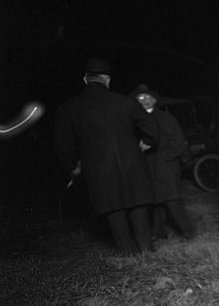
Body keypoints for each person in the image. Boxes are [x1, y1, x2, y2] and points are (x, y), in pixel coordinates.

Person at [53, 58, 159, 256]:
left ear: (85, 79)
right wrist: (147, 142)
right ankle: (146, 248)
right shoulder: (126, 102)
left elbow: (62, 144)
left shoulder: (68, 108)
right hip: (132, 164)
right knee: (137, 204)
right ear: (107, 80)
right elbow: (151, 127)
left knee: (113, 209)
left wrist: (72, 166)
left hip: (99, 170)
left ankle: (128, 252)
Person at [131, 84, 196, 241]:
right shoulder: (135, 120)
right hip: (147, 166)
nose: (144, 100)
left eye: (148, 97)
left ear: (154, 100)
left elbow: (178, 141)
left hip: (165, 165)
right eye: (140, 98)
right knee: (156, 200)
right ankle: (159, 230)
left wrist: (166, 158)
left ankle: (188, 232)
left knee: (171, 198)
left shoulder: (165, 117)